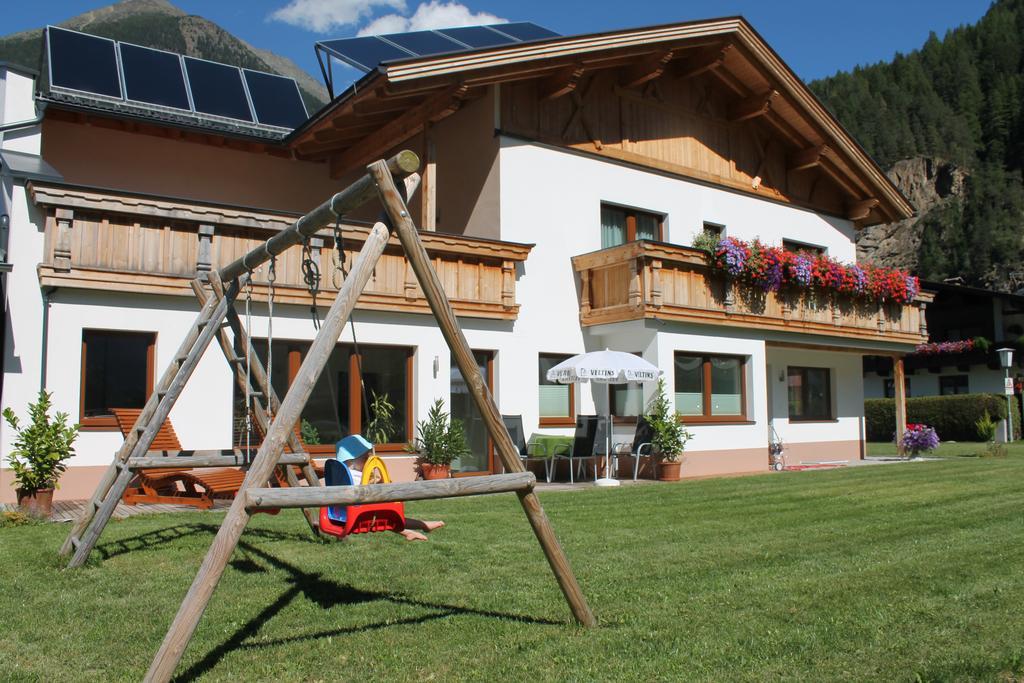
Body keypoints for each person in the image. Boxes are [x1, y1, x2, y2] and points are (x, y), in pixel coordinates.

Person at [340, 439, 444, 542]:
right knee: (391, 514)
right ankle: (422, 525)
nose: (368, 459)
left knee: (388, 516)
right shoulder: (354, 475)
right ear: (351, 461)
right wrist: (381, 484)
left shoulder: (343, 473)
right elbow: (367, 492)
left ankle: (412, 530)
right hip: (360, 512)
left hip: (343, 512)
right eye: (365, 457)